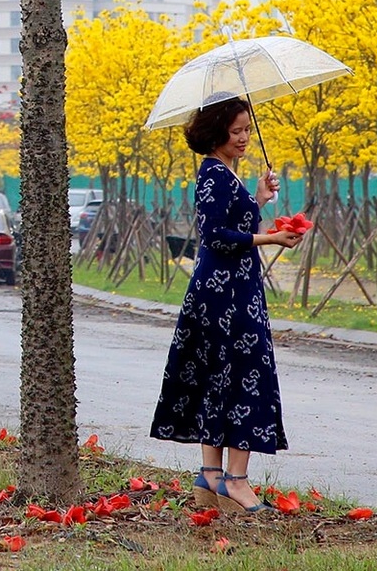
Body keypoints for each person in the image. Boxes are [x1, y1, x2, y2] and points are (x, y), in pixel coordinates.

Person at [149, 96, 305, 514]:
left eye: (247, 130)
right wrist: (271, 238)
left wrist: (258, 200)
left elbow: (233, 221)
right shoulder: (215, 175)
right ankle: (235, 480)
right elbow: (216, 235)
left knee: (219, 375)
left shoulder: (223, 173)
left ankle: (212, 475)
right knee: (243, 376)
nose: (244, 138)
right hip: (226, 295)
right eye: (236, 131)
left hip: (228, 291)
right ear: (216, 132)